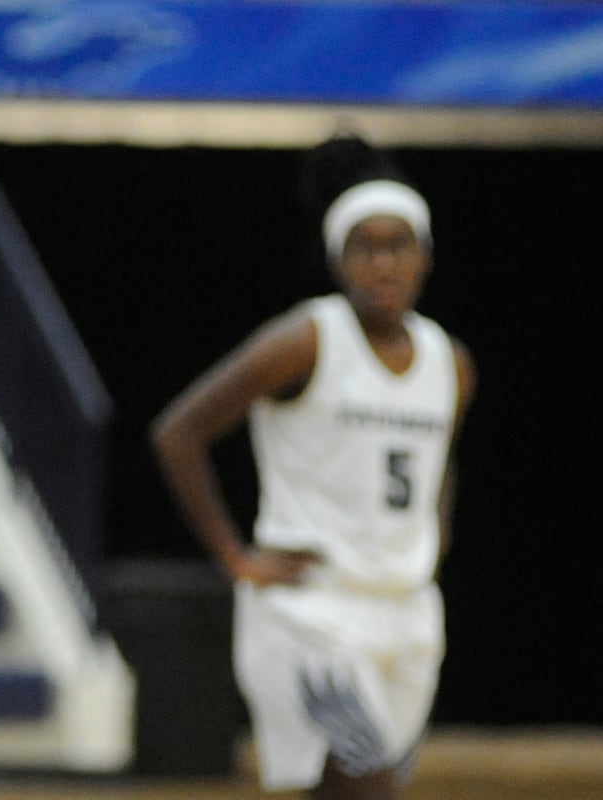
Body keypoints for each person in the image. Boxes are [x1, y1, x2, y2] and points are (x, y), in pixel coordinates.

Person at [149, 132, 475, 800]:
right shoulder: (305, 341)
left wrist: (432, 542)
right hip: (313, 616)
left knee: (346, 792)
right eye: (365, 248)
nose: (382, 263)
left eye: (397, 245)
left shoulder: (451, 362)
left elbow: (440, 459)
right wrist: (234, 558)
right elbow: (177, 433)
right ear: (337, 261)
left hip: (405, 612)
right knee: (368, 785)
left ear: (425, 257)